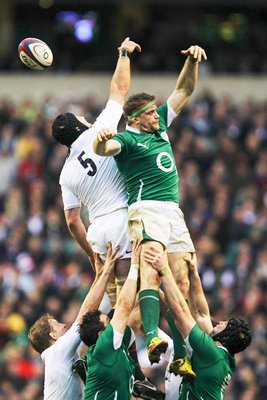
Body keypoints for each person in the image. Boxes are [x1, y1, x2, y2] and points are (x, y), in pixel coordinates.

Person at [93, 45, 207, 365]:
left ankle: (182, 355)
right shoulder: (128, 141)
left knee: (182, 280)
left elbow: (184, 89)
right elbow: (104, 148)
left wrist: (191, 60)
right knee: (152, 270)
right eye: (151, 113)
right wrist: (100, 138)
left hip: (173, 211)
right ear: (136, 119)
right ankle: (154, 334)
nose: (158, 115)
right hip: (146, 209)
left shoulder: (159, 128)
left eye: (157, 111)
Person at [52, 37, 141, 307]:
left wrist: (91, 253)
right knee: (132, 299)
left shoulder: (65, 174)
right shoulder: (98, 131)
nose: (84, 119)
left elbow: (72, 221)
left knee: (114, 302)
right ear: (79, 127)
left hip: (98, 231)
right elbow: (120, 90)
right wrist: (123, 53)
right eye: (80, 118)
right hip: (120, 219)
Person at [143, 247, 252, 399]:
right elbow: (202, 314)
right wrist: (194, 274)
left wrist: (164, 270)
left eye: (224, 325)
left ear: (226, 336)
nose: (219, 322)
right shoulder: (223, 356)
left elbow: (180, 313)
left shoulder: (211, 353)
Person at [28, 243, 120, 400]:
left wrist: (99, 276)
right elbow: (85, 314)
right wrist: (106, 272)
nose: (63, 325)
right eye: (57, 324)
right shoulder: (57, 352)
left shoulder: (60, 355)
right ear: (53, 336)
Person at [79, 240, 141, 400]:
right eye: (108, 321)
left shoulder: (109, 351)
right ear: (101, 334)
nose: (112, 320)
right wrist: (134, 265)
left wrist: (103, 274)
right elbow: (125, 305)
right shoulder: (105, 346)